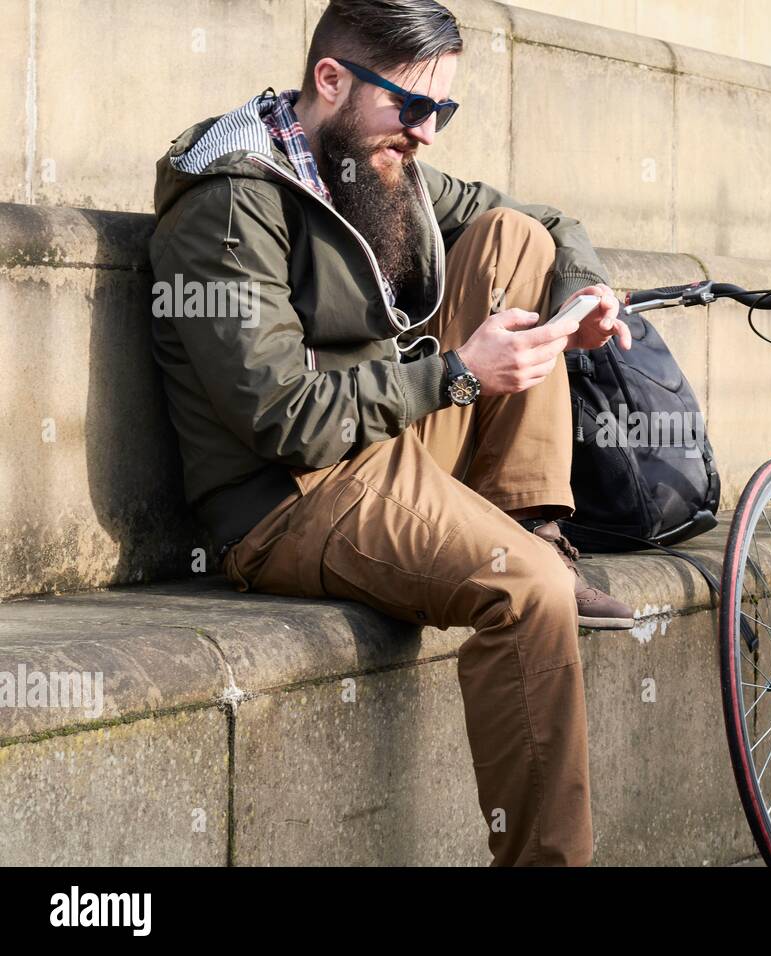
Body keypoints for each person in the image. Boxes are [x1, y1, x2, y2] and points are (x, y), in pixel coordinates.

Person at [148, 0, 635, 866]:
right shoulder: (229, 205)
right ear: (330, 79)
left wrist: (584, 295)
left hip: (386, 447)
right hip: (290, 498)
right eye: (411, 106)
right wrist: (457, 375)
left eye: (443, 109)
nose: (427, 133)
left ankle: (529, 521)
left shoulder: (373, 160)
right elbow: (281, 419)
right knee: (528, 595)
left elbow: (552, 226)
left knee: (514, 239)